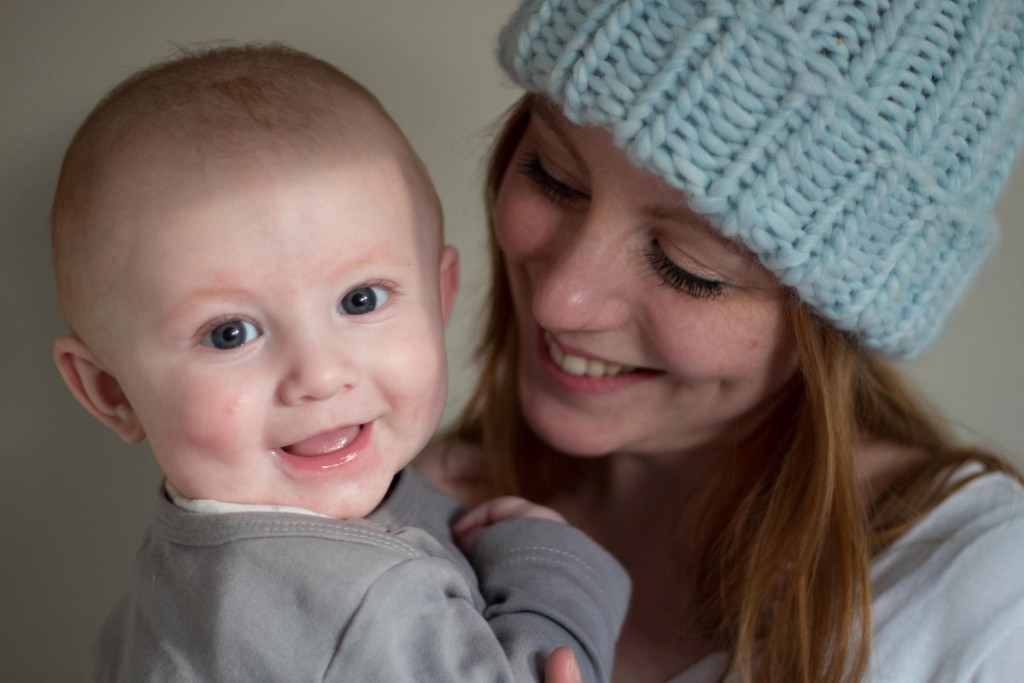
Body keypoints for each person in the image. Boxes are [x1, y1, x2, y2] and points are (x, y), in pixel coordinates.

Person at [418, 0, 1024, 681]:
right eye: (553, 176)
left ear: (834, 320)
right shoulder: (408, 508)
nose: (563, 299)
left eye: (688, 267)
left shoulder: (989, 608)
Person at [49, 43, 629, 683]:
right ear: (112, 392)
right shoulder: (365, 603)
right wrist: (553, 565)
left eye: (360, 300)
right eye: (230, 333)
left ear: (440, 298)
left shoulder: (174, 582)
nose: (321, 376)